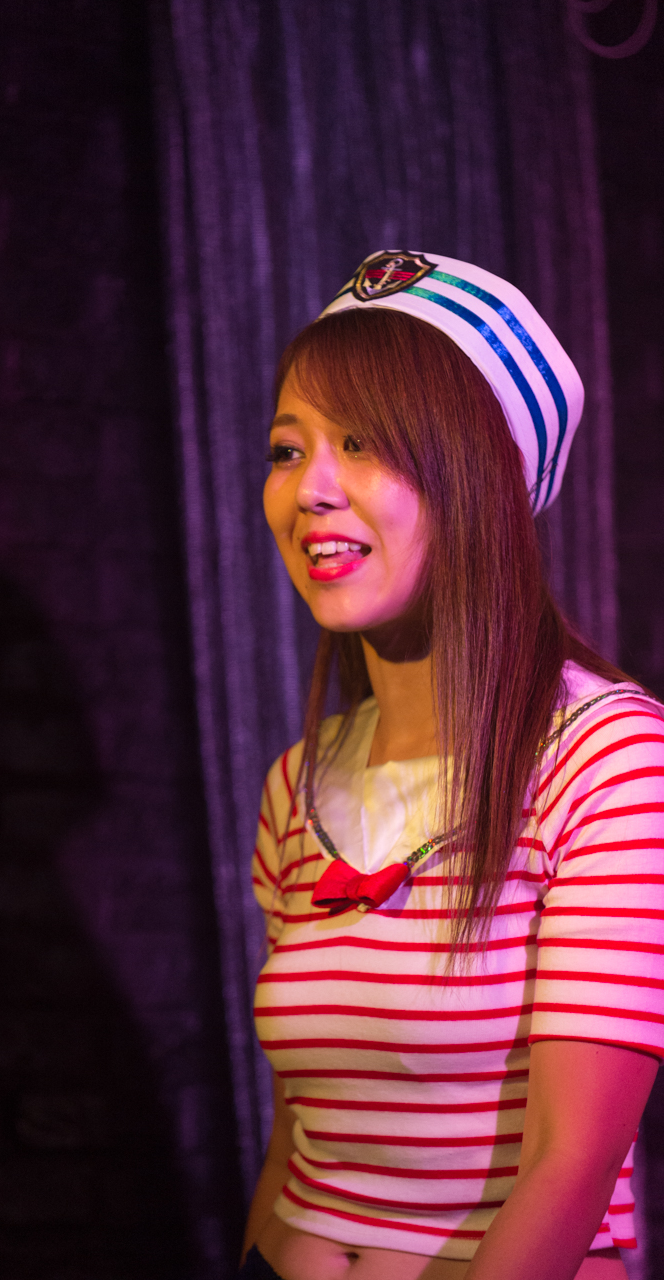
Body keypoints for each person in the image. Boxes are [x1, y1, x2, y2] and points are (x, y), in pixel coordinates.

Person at [240, 251, 664, 1280]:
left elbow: (570, 1161)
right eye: (289, 449)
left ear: (484, 481)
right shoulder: (299, 784)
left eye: (365, 443)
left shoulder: (605, 754)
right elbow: (299, 1135)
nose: (312, 489)